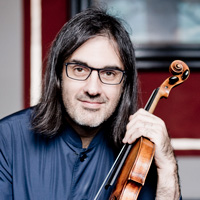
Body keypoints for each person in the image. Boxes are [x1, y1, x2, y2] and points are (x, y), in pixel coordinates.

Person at [0, 7, 181, 200]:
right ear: (58, 75)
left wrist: (168, 166)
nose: (93, 89)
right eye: (79, 69)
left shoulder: (141, 154)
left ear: (124, 84)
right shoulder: (7, 139)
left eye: (109, 73)